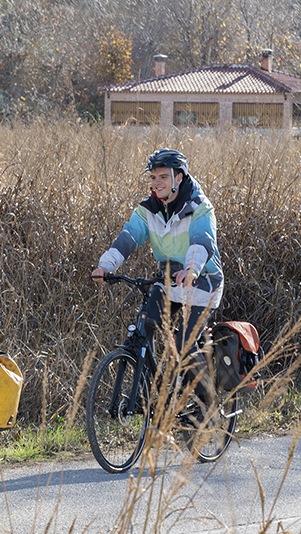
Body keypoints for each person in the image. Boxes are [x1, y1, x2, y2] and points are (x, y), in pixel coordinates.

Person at [91, 147, 223, 417]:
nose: (156, 183)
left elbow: (203, 240)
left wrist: (192, 268)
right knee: (144, 326)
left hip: (203, 282)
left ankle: (209, 400)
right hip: (169, 280)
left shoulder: (199, 207)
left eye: (163, 176)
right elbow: (128, 237)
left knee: (185, 343)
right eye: (153, 177)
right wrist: (106, 265)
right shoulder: (148, 209)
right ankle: (147, 393)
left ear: (179, 177)